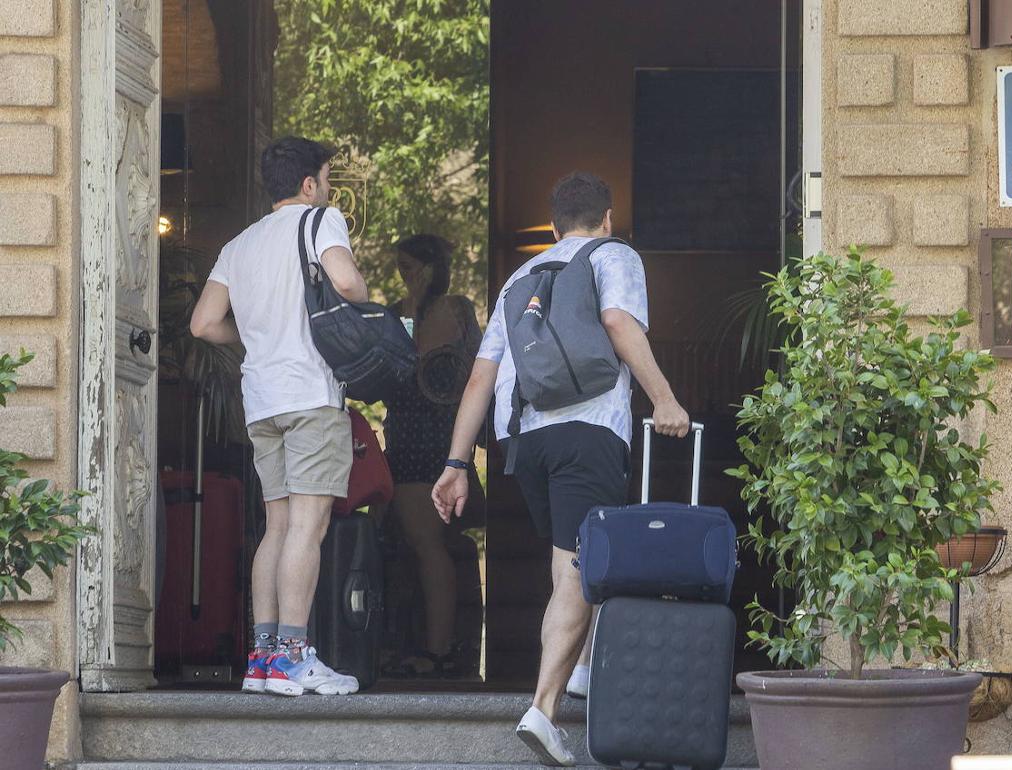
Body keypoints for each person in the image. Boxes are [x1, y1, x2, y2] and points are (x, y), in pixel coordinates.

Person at [432, 171, 689, 766]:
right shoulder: (613, 255)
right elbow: (620, 324)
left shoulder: (522, 276)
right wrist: (665, 399)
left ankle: (584, 669)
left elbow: (481, 376)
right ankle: (544, 709)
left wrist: (457, 461)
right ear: (606, 218)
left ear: (551, 226)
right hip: (587, 430)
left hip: (524, 442)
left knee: (569, 557)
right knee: (578, 567)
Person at [190, 136, 368, 697]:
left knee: (278, 527)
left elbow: (203, 323)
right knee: (308, 529)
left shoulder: (238, 244)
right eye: (327, 178)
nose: (330, 188)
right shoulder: (321, 220)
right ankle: (295, 658)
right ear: (309, 184)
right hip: (311, 394)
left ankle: (263, 661)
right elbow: (345, 282)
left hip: (262, 399)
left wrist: (256, 341)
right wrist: (362, 298)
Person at [383, 234, 482, 676]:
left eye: (410, 267)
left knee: (428, 543)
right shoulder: (397, 314)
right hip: (403, 432)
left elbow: (425, 364)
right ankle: (417, 641)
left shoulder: (450, 309)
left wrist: (419, 300)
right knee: (409, 542)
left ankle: (438, 648)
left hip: (432, 435)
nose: (404, 276)